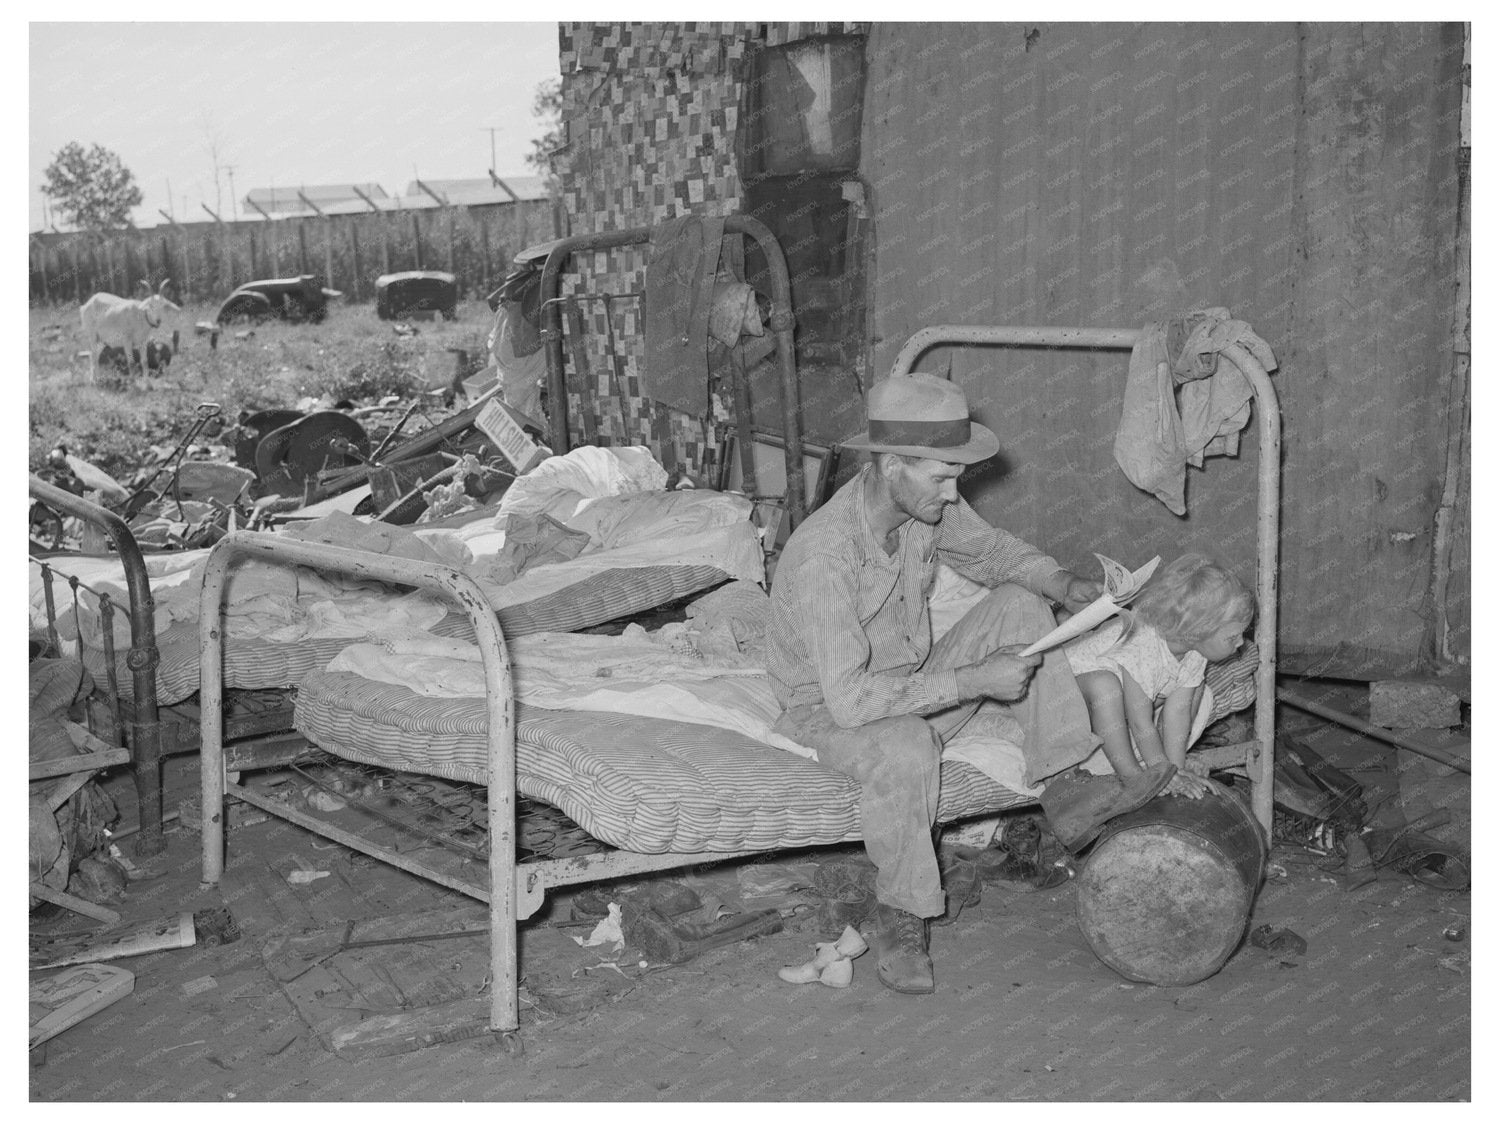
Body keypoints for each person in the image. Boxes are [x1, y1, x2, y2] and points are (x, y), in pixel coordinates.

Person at [765, 373, 1176, 995]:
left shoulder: (920, 505)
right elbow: (850, 700)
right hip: (827, 708)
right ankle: (901, 913)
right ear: (892, 464)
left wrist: (1062, 583)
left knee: (1020, 602)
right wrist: (973, 680)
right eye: (941, 477)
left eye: (956, 476)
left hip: (907, 682)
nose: (954, 493)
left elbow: (991, 552)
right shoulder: (826, 555)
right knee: (907, 744)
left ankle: (1066, 784)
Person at [1065, 553, 1255, 800]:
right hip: (1062, 700)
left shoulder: (1194, 649)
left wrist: (1176, 770)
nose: (1241, 643)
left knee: (1197, 690)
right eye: (1232, 637)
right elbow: (1140, 723)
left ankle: (1161, 770)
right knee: (1105, 687)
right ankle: (1132, 777)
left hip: (1104, 711)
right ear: (1197, 630)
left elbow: (1178, 713)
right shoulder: (1144, 645)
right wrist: (1160, 772)